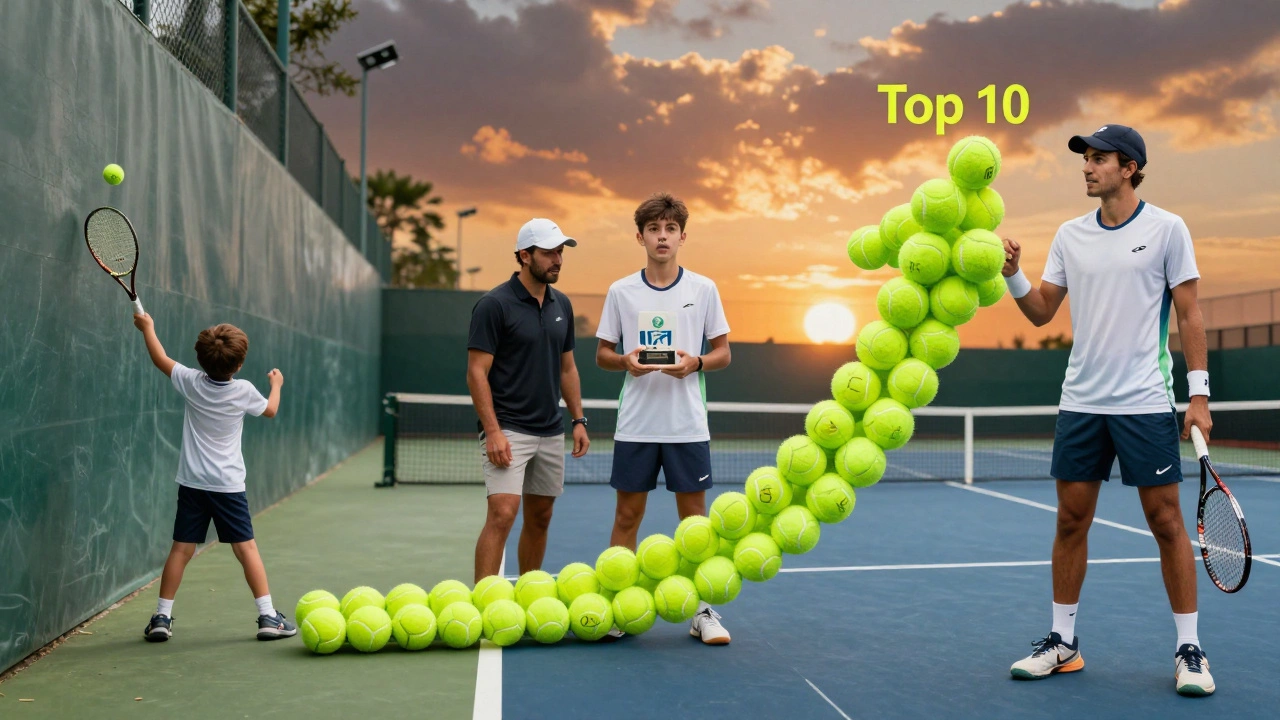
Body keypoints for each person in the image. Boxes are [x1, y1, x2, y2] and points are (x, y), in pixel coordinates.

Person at [1002, 124, 1214, 696]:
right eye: (1086, 159)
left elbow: (1189, 314)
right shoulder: (1071, 235)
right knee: (1071, 520)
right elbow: (1043, 311)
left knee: (1166, 522)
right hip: (1081, 402)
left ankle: (1189, 650)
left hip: (1143, 402)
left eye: (1099, 158)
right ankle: (1062, 643)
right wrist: (1013, 273)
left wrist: (1199, 395)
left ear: (1130, 168)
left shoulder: (1168, 229)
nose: (1088, 167)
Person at [595, 192, 732, 644]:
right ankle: (618, 603)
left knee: (693, 525)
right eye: (653, 229)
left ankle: (701, 611)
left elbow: (723, 353)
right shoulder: (620, 291)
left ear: (682, 236)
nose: (662, 236)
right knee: (627, 515)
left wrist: (695, 363)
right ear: (640, 236)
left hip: (687, 426)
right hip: (635, 424)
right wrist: (626, 362)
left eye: (670, 229)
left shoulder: (704, 289)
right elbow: (602, 355)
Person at [133, 313, 294, 642]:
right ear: (238, 365)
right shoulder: (245, 391)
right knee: (246, 548)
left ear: (200, 359)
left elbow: (159, 357)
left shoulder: (190, 381)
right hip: (228, 487)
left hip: (193, 483)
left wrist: (149, 327)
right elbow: (271, 410)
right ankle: (268, 617)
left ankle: (162, 617)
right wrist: (275, 385)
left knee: (181, 550)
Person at [467, 218, 589, 583]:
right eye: (549, 252)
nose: (558, 259)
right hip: (508, 428)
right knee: (503, 513)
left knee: (541, 517)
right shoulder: (493, 305)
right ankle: (485, 601)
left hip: (550, 430)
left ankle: (529, 593)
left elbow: (567, 369)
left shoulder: (561, 305)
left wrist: (578, 420)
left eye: (561, 251)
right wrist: (493, 432)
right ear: (524, 255)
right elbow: (476, 372)